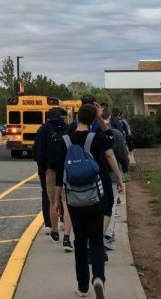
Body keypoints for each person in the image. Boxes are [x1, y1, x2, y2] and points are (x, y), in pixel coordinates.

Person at [52, 103, 121, 299]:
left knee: (80, 243)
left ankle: (83, 286)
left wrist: (57, 200)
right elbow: (111, 140)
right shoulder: (97, 138)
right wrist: (101, 119)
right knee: (97, 242)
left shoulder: (64, 140)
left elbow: (59, 173)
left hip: (74, 201)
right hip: (94, 199)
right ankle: (98, 278)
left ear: (76, 117)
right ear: (92, 120)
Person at [98, 108, 125, 251]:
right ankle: (107, 236)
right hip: (111, 175)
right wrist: (122, 173)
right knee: (110, 205)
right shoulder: (116, 134)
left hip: (94, 175)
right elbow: (119, 155)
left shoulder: (89, 132)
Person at [33, 108, 62, 237]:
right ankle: (63, 220)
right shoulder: (65, 128)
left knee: (47, 195)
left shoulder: (42, 129)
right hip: (62, 167)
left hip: (45, 168)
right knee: (63, 195)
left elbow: (36, 151)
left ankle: (49, 224)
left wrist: (41, 165)